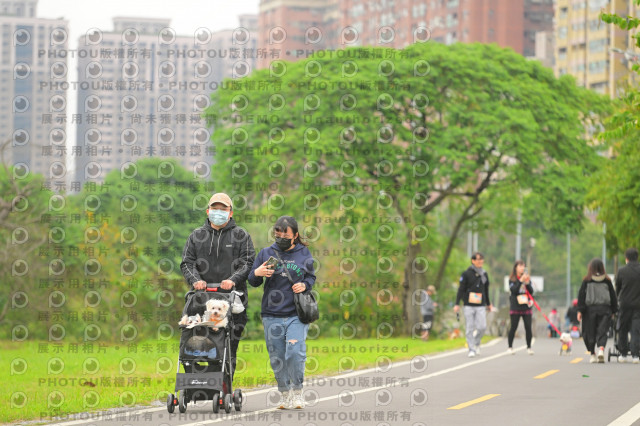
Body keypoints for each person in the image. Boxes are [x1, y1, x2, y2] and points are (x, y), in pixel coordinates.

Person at [179, 192, 256, 377]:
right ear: (208, 211)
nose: (218, 212)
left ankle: (224, 386)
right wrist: (195, 280)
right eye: (215, 208)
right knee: (196, 344)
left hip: (233, 301)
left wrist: (233, 280)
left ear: (230, 212)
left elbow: (247, 262)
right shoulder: (196, 236)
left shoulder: (241, 235)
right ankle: (195, 383)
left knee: (228, 348)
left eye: (223, 209)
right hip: (201, 301)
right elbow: (187, 262)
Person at [248, 215, 316, 409]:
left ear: (295, 235)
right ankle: (285, 394)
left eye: (286, 236)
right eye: (278, 235)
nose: (281, 238)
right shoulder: (266, 253)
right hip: (271, 314)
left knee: (294, 352)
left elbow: (311, 277)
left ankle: (298, 392)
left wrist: (304, 285)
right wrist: (257, 273)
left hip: (296, 313)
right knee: (277, 357)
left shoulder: (304, 253)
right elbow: (252, 281)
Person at [577, 258, 618, 363]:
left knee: (589, 332)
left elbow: (581, 296)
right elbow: (613, 296)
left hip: (589, 310)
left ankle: (593, 354)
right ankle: (601, 349)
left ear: (590, 268)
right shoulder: (607, 281)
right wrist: (614, 310)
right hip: (605, 309)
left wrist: (580, 311)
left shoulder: (587, 280)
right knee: (603, 331)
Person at [454, 252, 492, 358]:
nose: (480, 261)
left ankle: (476, 343)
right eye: (478, 259)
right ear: (473, 261)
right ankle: (471, 349)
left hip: (480, 305)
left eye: (482, 259)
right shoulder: (466, 274)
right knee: (470, 327)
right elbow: (461, 289)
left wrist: (489, 304)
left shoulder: (484, 274)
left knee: (482, 327)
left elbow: (486, 290)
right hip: (468, 305)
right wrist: (457, 303)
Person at [615, 248, 640, 363]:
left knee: (623, 329)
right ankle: (635, 355)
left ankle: (623, 354)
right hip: (638, 305)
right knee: (636, 330)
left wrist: (617, 300)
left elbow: (618, 288)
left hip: (624, 304)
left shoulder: (621, 271)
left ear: (626, 258)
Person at [507, 260, 534, 355]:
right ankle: (510, 347)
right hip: (515, 306)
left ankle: (529, 347)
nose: (522, 268)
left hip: (526, 306)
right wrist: (520, 281)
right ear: (516, 268)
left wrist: (527, 282)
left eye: (523, 266)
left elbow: (531, 291)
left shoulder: (526, 278)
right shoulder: (512, 279)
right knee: (513, 327)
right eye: (520, 266)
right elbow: (513, 290)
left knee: (528, 327)